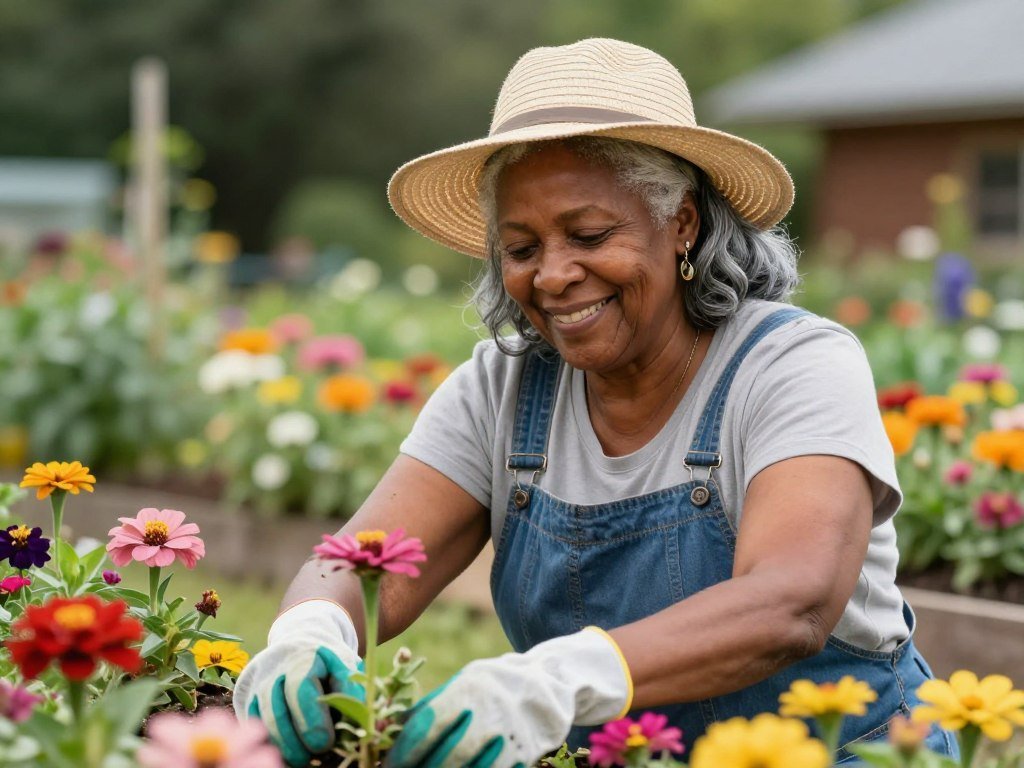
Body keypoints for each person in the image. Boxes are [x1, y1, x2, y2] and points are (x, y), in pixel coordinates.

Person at [235, 38, 958, 767]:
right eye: (520, 249)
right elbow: (361, 560)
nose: (552, 275)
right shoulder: (499, 391)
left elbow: (790, 602)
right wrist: (309, 633)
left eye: (588, 235)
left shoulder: (791, 365)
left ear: (682, 223)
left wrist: (556, 680)